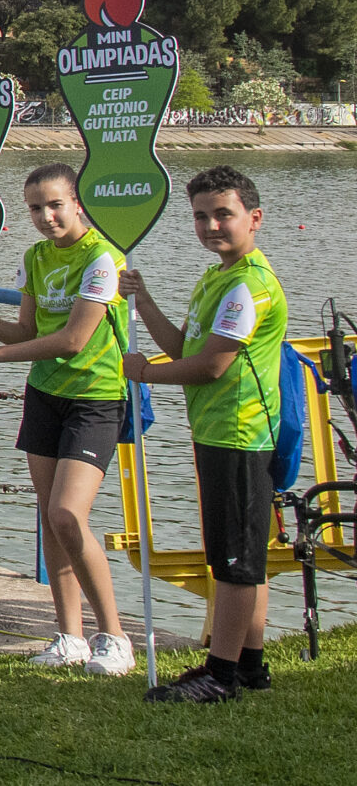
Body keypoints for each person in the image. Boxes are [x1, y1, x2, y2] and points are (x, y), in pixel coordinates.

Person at [0, 163, 135, 675]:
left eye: (55, 205)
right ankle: (70, 637)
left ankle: (115, 637)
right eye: (36, 208)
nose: (46, 217)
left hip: (95, 397)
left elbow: (74, 339)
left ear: (77, 203)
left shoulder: (103, 256)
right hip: (45, 395)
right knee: (48, 519)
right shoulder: (35, 257)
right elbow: (28, 331)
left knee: (67, 514)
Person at [123, 165, 290, 705]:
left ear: (254, 218)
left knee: (236, 563)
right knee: (240, 556)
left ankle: (221, 675)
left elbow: (212, 366)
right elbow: (184, 349)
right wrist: (144, 300)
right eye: (200, 216)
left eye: (224, 214)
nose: (211, 226)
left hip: (242, 434)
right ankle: (248, 665)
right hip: (216, 432)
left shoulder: (250, 284)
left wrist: (144, 375)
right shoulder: (217, 276)